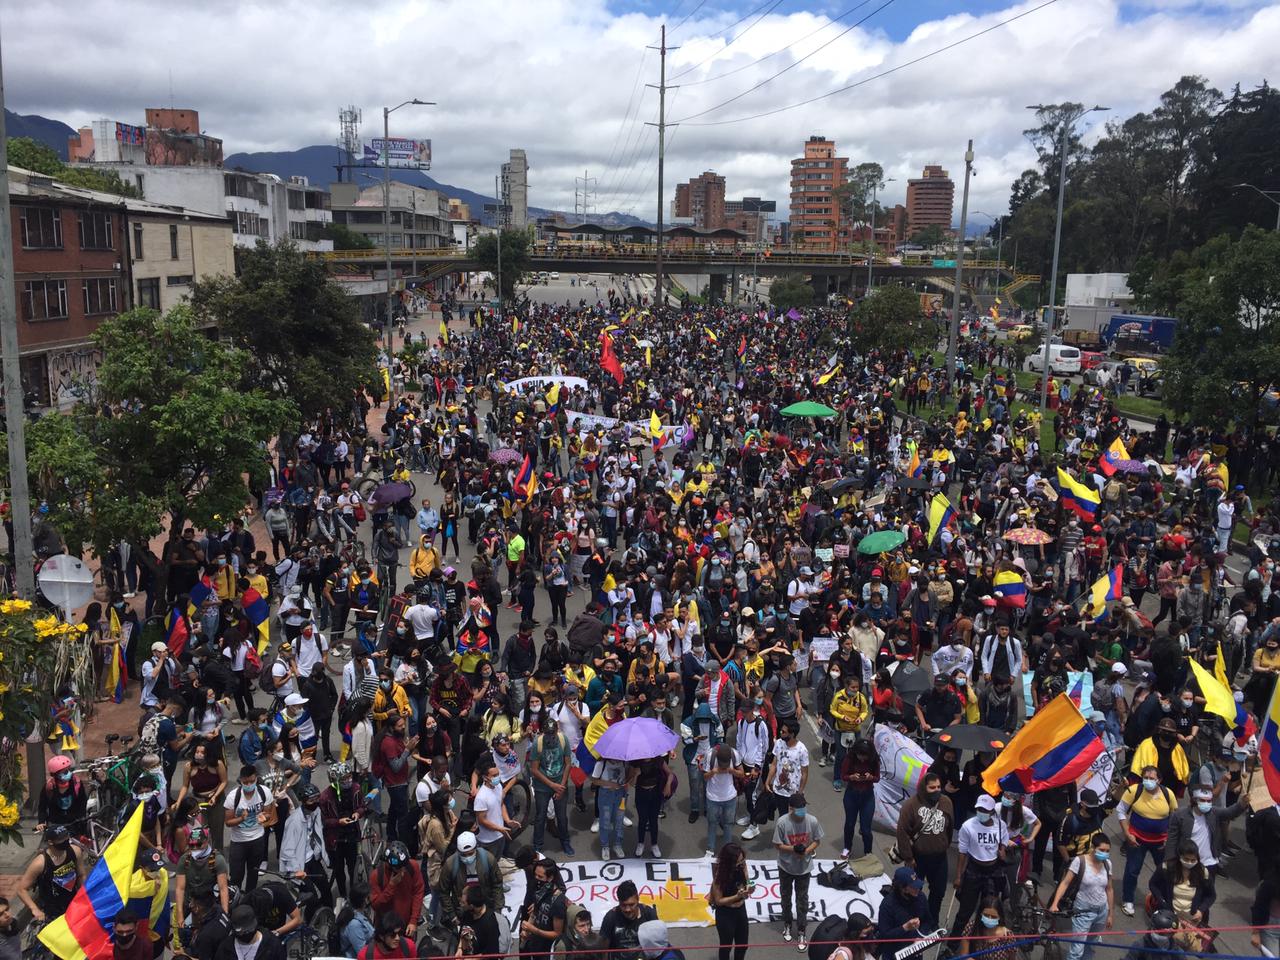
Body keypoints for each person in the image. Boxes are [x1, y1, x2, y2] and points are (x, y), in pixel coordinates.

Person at [1114, 764, 1177, 916]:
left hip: (1160, 843)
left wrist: (1169, 838)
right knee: (1132, 870)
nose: (1148, 781)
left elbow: (1174, 818)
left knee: (1164, 872)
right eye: (1145, 778)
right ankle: (1128, 900)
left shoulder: (1168, 794)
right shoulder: (1135, 790)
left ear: (1159, 780)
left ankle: (1161, 901)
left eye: (1152, 778)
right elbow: (1121, 811)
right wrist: (1127, 834)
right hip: (1137, 840)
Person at [894, 772, 953, 923]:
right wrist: (908, 857)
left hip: (939, 858)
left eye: (939, 787)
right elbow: (902, 832)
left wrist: (944, 845)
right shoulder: (911, 805)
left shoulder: (946, 802)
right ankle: (912, 921)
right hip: (917, 859)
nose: (936, 790)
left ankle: (932, 921)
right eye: (932, 787)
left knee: (938, 892)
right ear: (924, 787)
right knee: (913, 891)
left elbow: (950, 828)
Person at [950, 794, 1008, 937]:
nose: (982, 812)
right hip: (974, 870)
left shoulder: (1000, 825)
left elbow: (1003, 845)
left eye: (985, 810)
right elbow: (962, 853)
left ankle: (980, 940)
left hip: (993, 872)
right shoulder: (968, 826)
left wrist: (1003, 852)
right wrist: (958, 877)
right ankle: (953, 943)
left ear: (992, 812)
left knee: (988, 910)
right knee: (965, 911)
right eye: (979, 809)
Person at [1049, 833, 1114, 960]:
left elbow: (1109, 889)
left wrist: (1110, 914)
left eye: (1107, 851)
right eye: (1101, 850)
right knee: (1076, 951)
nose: (1105, 854)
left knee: (1090, 946)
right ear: (1093, 847)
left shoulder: (1107, 864)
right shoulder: (1080, 861)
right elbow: (1065, 883)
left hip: (1102, 911)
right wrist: (1054, 903)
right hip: (1083, 911)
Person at [772, 792, 822, 949]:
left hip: (804, 868)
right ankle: (787, 923)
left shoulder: (812, 821)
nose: (802, 810)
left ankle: (801, 930)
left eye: (803, 807)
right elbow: (778, 845)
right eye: (798, 808)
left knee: (802, 901)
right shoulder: (782, 822)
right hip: (786, 867)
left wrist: (806, 851)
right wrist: (793, 849)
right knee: (785, 898)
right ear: (790, 808)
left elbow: (817, 840)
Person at [16, 823, 85, 923]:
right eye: (62, 839)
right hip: (51, 909)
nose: (66, 840)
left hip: (73, 902)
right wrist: (35, 909)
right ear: (51, 842)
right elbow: (21, 889)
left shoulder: (75, 851)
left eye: (67, 836)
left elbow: (81, 875)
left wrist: (83, 894)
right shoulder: (40, 863)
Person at [223, 764, 275, 892]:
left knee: (253, 874)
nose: (249, 785)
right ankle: (234, 899)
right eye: (245, 782)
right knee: (236, 876)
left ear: (256, 778)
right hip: (239, 842)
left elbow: (269, 812)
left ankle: (250, 898)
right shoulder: (233, 797)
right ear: (241, 781)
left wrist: (265, 817)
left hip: (257, 840)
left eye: (252, 781)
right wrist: (241, 819)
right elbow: (228, 822)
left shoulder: (264, 792)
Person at [439, 832, 505, 927]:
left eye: (470, 854)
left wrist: (497, 910)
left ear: (476, 848)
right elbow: (443, 891)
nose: (467, 858)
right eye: (463, 855)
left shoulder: (488, 859)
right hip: (462, 911)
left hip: (484, 907)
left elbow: (497, 885)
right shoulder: (450, 865)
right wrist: (452, 916)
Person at [1148, 840, 1216, 928]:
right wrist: (1162, 902)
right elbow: (1153, 884)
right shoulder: (1166, 868)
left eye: (1193, 860)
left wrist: (1201, 910)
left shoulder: (1203, 873)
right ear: (1179, 856)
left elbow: (1211, 896)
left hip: (1193, 921)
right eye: (1186, 859)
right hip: (1170, 918)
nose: (1189, 863)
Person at [174, 823, 230, 924]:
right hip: (190, 901)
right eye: (191, 845)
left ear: (206, 841)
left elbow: (223, 889)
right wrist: (180, 914)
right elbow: (180, 888)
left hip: (209, 903)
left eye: (199, 845)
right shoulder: (184, 860)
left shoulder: (217, 860)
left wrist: (224, 914)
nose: (195, 848)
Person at [876, 866, 935, 960]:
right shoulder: (887, 905)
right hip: (894, 954)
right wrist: (905, 928)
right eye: (914, 887)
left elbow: (928, 921)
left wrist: (920, 937)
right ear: (903, 889)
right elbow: (885, 935)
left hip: (915, 950)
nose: (918, 889)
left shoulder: (920, 897)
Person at [369, 841, 424, 941]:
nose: (403, 872)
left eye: (404, 867)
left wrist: (413, 921)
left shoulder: (413, 867)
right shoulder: (376, 876)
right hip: (386, 930)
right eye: (399, 869)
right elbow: (376, 905)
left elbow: (418, 892)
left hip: (406, 926)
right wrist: (391, 886)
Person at [707, 843, 751, 960]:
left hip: (740, 910)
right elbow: (719, 901)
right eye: (739, 861)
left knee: (743, 945)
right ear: (730, 861)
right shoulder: (720, 875)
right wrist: (737, 896)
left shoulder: (742, 866)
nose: (741, 863)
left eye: (742, 861)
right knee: (726, 946)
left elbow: (747, 879)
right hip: (726, 914)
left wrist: (750, 887)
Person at [518, 856, 567, 960]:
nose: (536, 879)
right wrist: (526, 930)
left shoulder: (558, 902)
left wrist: (533, 930)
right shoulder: (540, 892)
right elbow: (534, 913)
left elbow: (557, 934)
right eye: (535, 875)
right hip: (535, 943)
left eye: (540, 877)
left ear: (550, 878)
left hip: (548, 950)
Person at [839, 738, 879, 858]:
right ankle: (847, 847)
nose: (862, 759)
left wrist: (870, 777)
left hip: (867, 796)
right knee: (850, 823)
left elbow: (877, 778)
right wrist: (851, 777)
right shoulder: (849, 758)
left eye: (864, 756)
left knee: (866, 828)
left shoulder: (874, 761)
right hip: (852, 794)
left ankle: (868, 851)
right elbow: (843, 776)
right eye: (860, 756)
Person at [600, 880, 658, 960]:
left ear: (638, 899)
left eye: (631, 905)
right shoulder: (611, 917)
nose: (628, 910)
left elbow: (658, 945)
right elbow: (603, 951)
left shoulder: (648, 914)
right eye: (623, 905)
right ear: (619, 902)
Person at [215, 904, 286, 960]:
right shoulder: (225, 947)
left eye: (246, 932)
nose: (243, 935)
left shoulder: (272, 945)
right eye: (240, 933)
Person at [38, 755, 87, 832]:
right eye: (65, 772)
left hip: (75, 823)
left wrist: (81, 818)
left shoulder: (77, 784)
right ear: (55, 774)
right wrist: (41, 822)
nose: (68, 773)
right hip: (55, 824)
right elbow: (42, 807)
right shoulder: (49, 787)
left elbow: (82, 802)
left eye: (69, 770)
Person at [456, 886, 501, 960]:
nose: (460, 904)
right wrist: (460, 948)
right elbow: (462, 932)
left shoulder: (490, 923)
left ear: (471, 906)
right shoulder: (467, 913)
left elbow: (492, 952)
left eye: (463, 903)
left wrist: (472, 959)